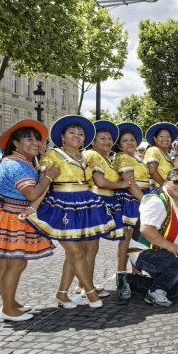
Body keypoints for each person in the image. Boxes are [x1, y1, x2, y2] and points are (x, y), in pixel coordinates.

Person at [0, 120, 58, 322]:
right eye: (29, 138)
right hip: (12, 218)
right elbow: (32, 193)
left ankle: (10, 303)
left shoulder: (14, 161)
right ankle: (7, 308)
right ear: (15, 143)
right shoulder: (17, 164)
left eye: (37, 139)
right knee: (15, 264)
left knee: (5, 265)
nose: (35, 142)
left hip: (6, 217)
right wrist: (48, 177)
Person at [29, 115, 116, 309]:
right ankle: (90, 291)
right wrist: (34, 205)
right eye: (72, 133)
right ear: (62, 136)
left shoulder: (85, 158)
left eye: (80, 133)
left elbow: (97, 181)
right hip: (63, 206)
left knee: (81, 252)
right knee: (75, 251)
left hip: (86, 205)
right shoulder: (52, 155)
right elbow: (44, 182)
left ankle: (62, 293)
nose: (77, 136)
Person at [123, 167, 178, 306]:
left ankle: (130, 280)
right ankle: (155, 293)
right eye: (176, 182)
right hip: (143, 252)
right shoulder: (157, 201)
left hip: (158, 251)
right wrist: (170, 246)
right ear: (166, 182)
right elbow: (146, 229)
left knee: (173, 291)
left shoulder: (177, 200)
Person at [82, 120, 130, 297]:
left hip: (102, 204)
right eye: (101, 138)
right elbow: (100, 182)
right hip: (95, 203)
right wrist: (122, 184)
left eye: (109, 138)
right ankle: (88, 287)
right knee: (90, 248)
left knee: (89, 249)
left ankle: (85, 284)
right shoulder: (93, 155)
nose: (107, 141)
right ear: (93, 142)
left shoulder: (105, 158)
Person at [112, 122, 150, 301]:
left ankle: (136, 276)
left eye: (132, 140)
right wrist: (146, 202)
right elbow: (130, 182)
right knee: (125, 243)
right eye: (125, 141)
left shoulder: (138, 158)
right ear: (119, 145)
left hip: (142, 200)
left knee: (140, 241)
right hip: (130, 201)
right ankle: (121, 278)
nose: (129, 143)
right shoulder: (122, 158)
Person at [143, 122, 178, 190]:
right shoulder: (153, 150)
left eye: (168, 137)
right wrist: (165, 185)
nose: (165, 139)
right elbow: (152, 171)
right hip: (156, 189)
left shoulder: (167, 154)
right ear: (155, 139)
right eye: (161, 136)